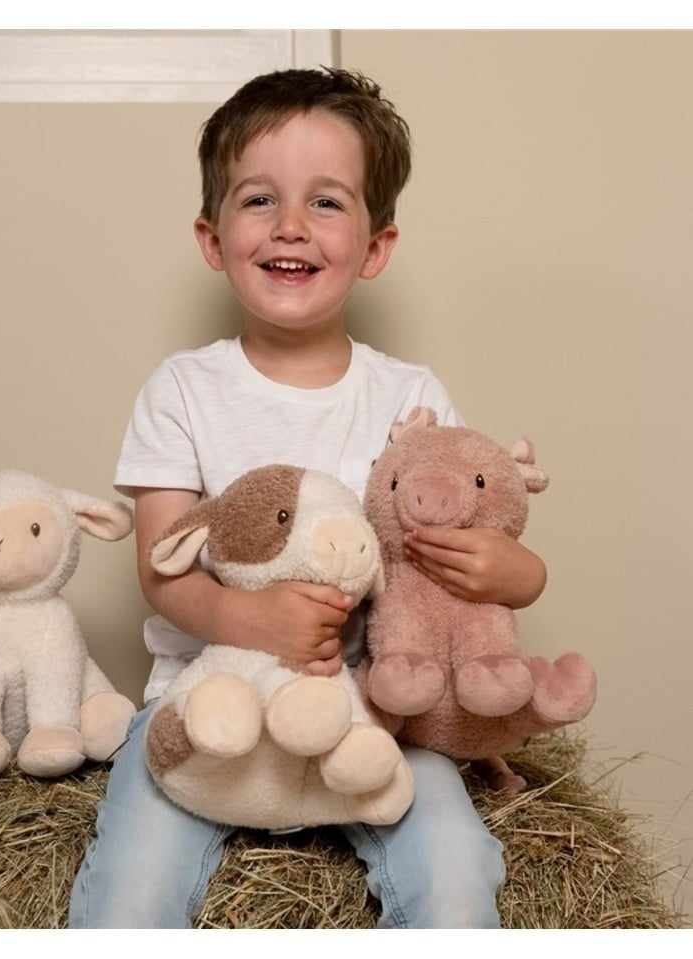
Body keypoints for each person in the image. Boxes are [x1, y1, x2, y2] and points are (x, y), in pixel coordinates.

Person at [69, 66, 546, 929]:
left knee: (455, 863)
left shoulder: (410, 395)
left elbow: (454, 566)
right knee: (130, 887)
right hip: (203, 700)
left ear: (375, 246)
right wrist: (251, 619)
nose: (290, 225)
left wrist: (516, 573)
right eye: (259, 199)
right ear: (212, 236)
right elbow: (161, 565)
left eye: (326, 202)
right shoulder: (183, 389)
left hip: (371, 708)